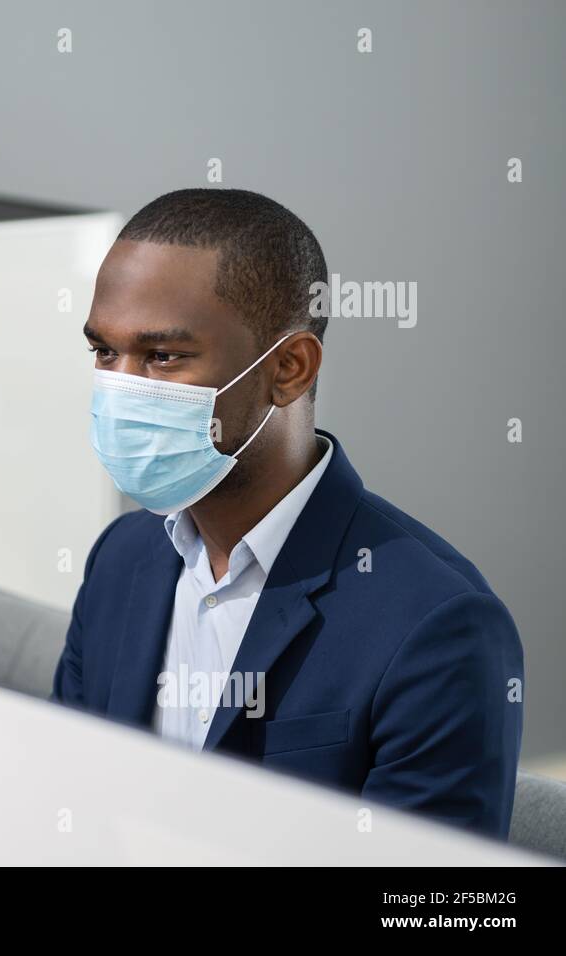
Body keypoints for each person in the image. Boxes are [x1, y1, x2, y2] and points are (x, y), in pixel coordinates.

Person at [57, 188, 524, 837]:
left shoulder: (438, 626)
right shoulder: (121, 561)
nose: (121, 388)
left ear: (289, 368)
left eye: (162, 357)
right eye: (105, 353)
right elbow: (64, 809)